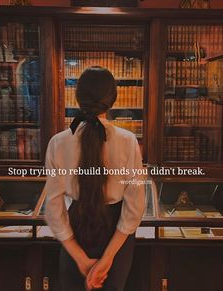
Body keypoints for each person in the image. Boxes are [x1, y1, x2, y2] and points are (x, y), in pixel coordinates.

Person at [44, 66, 145, 291]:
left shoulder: (58, 143)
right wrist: (108, 258)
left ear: (77, 97)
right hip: (117, 237)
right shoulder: (129, 142)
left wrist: (79, 257)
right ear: (113, 99)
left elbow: (53, 208)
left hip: (75, 232)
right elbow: (135, 207)